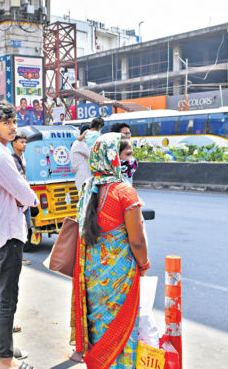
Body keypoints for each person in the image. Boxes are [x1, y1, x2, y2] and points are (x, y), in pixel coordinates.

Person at [70, 133, 149, 368]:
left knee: (100, 331)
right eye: (128, 154)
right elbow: (137, 241)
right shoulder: (124, 191)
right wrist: (144, 264)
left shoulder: (88, 189)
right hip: (120, 280)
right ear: (113, 156)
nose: (132, 159)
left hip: (93, 280)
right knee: (122, 333)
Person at [0, 103, 38, 369]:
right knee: (7, 298)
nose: (13, 127)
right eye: (7, 123)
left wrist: (22, 199)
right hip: (8, 233)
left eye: (14, 122)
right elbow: (27, 195)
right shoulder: (1, 156)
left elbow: (19, 194)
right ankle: (6, 360)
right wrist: (27, 199)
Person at [11, 133, 33, 261]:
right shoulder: (11, 159)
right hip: (17, 199)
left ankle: (20, 256)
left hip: (25, 196)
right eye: (22, 142)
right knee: (19, 228)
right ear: (14, 144)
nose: (24, 144)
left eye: (25, 142)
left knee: (27, 226)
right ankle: (19, 257)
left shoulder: (22, 157)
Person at [71, 124, 92, 191]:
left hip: (84, 177)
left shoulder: (81, 143)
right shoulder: (80, 143)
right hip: (84, 177)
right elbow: (93, 155)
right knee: (86, 200)